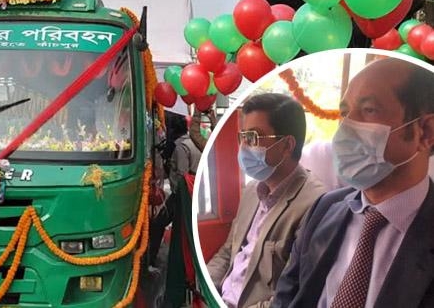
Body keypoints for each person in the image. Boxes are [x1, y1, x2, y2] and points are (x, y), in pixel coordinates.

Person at [272, 58, 434, 308]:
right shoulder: (325, 207)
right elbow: (287, 294)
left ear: (425, 132)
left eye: (369, 110)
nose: (344, 129)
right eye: (345, 113)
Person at [206, 93, 325, 308]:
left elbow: (294, 296)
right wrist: (206, 286)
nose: (243, 147)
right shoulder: (253, 190)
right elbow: (228, 250)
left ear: (287, 145)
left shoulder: (315, 206)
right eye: (242, 136)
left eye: (253, 137)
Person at [149, 114, 202, 266]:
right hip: (192, 192)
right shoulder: (193, 142)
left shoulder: (181, 147)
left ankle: (152, 260)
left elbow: (182, 175)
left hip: (183, 194)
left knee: (158, 224)